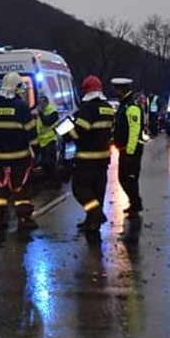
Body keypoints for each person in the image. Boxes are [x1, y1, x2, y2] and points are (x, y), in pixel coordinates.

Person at [0, 71, 38, 234]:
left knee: (0, 190)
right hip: (20, 157)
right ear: (16, 88)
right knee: (21, 189)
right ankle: (24, 219)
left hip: (0, 158)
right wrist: (36, 151)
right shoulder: (21, 107)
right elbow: (31, 133)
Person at [67, 75, 114, 237]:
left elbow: (79, 132)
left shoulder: (87, 109)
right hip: (103, 157)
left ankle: (96, 214)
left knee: (80, 188)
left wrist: (66, 131)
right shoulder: (107, 107)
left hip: (87, 157)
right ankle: (92, 222)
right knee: (97, 189)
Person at [111, 77, 145, 218]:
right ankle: (134, 203)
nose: (114, 91)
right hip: (125, 149)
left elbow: (134, 130)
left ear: (122, 89)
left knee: (128, 178)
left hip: (131, 149)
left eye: (116, 89)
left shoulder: (131, 106)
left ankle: (136, 204)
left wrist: (130, 152)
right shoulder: (124, 105)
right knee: (125, 178)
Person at [35, 93, 61, 188]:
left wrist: (41, 113)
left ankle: (56, 182)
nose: (39, 105)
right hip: (42, 141)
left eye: (41, 103)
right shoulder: (43, 111)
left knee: (50, 163)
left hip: (50, 139)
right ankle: (49, 181)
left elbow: (47, 122)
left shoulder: (52, 111)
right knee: (44, 163)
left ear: (46, 102)